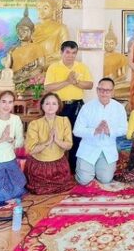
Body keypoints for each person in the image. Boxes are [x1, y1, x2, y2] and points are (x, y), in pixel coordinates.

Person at [44, 40, 94, 172]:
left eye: (73, 53)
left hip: (77, 106)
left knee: (77, 136)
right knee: (57, 135)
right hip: (59, 106)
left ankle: (73, 168)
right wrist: (67, 81)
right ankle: (56, 167)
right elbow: (48, 87)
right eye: (67, 52)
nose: (70, 55)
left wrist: (75, 82)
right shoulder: (53, 67)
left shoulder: (81, 67)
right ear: (61, 52)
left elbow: (89, 85)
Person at [74, 78, 128, 185]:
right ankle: (85, 171)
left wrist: (109, 131)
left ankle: (95, 170)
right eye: (101, 90)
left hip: (107, 150)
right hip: (88, 149)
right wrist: (94, 131)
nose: (104, 93)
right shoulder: (87, 107)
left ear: (112, 92)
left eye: (107, 90)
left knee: (105, 180)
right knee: (84, 180)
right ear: (97, 90)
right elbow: (77, 130)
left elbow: (124, 129)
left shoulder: (119, 108)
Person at [24, 93, 75, 194]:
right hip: (39, 167)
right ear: (42, 106)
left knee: (63, 188)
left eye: (54, 103)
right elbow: (31, 150)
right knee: (40, 190)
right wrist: (47, 142)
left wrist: (57, 140)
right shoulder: (35, 124)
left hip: (59, 166)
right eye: (47, 103)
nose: (50, 106)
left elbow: (69, 146)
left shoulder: (64, 121)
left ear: (58, 106)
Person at [2, 6, 45, 86]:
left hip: (28, 77)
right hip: (14, 77)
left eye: (25, 30)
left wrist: (27, 75)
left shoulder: (36, 47)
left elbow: (41, 66)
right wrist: (9, 55)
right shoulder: (13, 48)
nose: (21, 33)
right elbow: (7, 68)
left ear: (32, 31)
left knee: (28, 83)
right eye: (19, 30)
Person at [32, 0, 70, 67]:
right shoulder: (33, 28)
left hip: (53, 62)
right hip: (36, 64)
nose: (41, 11)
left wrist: (53, 56)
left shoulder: (61, 28)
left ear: (53, 10)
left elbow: (66, 50)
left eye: (45, 8)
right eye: (39, 8)